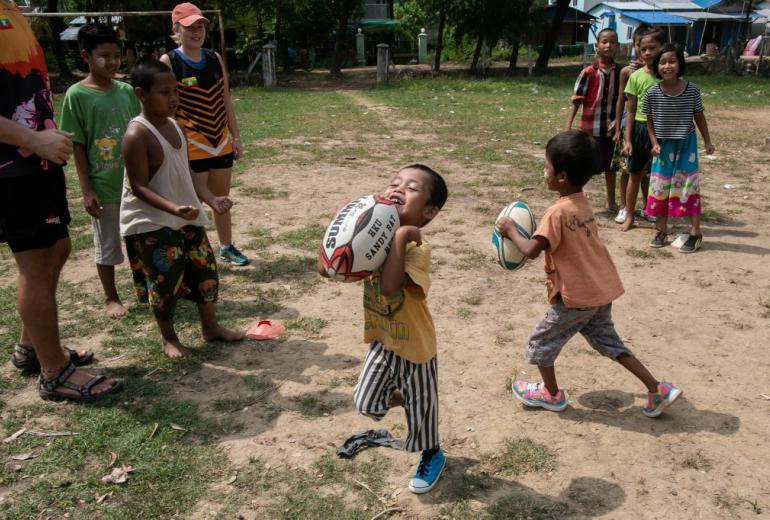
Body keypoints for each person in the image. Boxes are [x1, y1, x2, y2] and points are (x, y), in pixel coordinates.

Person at [496, 131, 682, 418]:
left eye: (547, 166)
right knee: (609, 343)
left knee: (541, 342)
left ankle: (551, 395)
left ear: (562, 176)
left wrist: (509, 229)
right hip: (599, 290)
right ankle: (657, 389)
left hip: (577, 298)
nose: (543, 172)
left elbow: (531, 250)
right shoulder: (581, 203)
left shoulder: (556, 213)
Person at [0, 0, 122, 401]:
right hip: (13, 167)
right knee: (34, 264)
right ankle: (55, 372)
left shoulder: (11, 9)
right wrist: (32, 139)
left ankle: (32, 347)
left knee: (58, 246)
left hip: (39, 161)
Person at [319, 165, 449, 494]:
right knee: (366, 403)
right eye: (395, 183)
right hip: (381, 340)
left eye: (412, 188)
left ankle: (431, 452)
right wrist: (342, 229)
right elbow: (326, 270)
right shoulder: (371, 239)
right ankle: (413, 397)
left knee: (421, 423)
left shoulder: (417, 248)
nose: (398, 189)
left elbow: (391, 287)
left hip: (415, 348)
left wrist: (402, 235)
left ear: (429, 212)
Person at [121, 58, 243, 358]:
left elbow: (187, 173)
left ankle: (210, 327)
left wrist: (211, 199)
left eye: (175, 91)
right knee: (165, 282)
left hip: (185, 217)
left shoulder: (177, 127)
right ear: (141, 94)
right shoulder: (137, 134)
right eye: (165, 92)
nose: (174, 98)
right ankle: (169, 338)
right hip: (151, 222)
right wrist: (173, 208)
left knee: (205, 272)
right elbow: (138, 186)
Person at [59, 23, 141, 319]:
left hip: (135, 183)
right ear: (86, 56)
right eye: (104, 56)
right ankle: (111, 297)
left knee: (141, 237)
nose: (113, 62)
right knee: (106, 243)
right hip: (104, 185)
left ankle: (146, 289)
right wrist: (87, 189)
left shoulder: (128, 91)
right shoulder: (76, 95)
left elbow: (141, 133)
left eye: (117, 55)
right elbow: (78, 145)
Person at [159, 2, 248, 266]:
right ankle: (192, 254)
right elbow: (166, 107)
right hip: (191, 144)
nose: (197, 32)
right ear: (176, 29)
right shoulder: (169, 61)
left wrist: (236, 137)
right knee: (191, 202)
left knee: (220, 200)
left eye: (200, 27)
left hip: (219, 142)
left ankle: (226, 247)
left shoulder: (214, 58)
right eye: (190, 27)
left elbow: (225, 100)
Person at [643, 44, 714, 253]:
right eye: (662, 62)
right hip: (663, 148)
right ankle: (661, 230)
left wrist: (707, 141)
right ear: (657, 67)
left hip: (686, 146)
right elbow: (649, 121)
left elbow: (699, 116)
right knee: (660, 187)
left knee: (688, 186)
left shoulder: (692, 90)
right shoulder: (652, 93)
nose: (667, 66)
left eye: (672, 61)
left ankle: (695, 232)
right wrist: (654, 143)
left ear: (680, 64)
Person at [566, 28, 621, 212]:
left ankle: (611, 202)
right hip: (589, 130)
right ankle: (575, 201)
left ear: (618, 47)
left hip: (611, 130)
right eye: (604, 41)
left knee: (611, 167)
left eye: (612, 42)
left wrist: (619, 121)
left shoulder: (622, 73)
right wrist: (568, 127)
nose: (608, 45)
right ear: (596, 46)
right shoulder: (588, 73)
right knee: (583, 166)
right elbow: (576, 101)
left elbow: (627, 101)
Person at [620, 28, 666, 232]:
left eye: (652, 48)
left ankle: (657, 215)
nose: (647, 53)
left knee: (661, 177)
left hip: (663, 131)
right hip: (639, 129)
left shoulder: (668, 77)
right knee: (635, 174)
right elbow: (630, 111)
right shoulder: (635, 77)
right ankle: (630, 214)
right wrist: (627, 139)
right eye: (644, 48)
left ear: (662, 48)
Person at [613, 23, 651, 224]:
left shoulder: (660, 72)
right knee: (627, 170)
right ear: (635, 45)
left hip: (651, 128)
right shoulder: (627, 72)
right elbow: (622, 101)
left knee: (647, 173)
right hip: (630, 125)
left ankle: (647, 206)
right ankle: (624, 207)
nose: (644, 51)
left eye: (651, 46)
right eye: (640, 45)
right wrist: (618, 125)